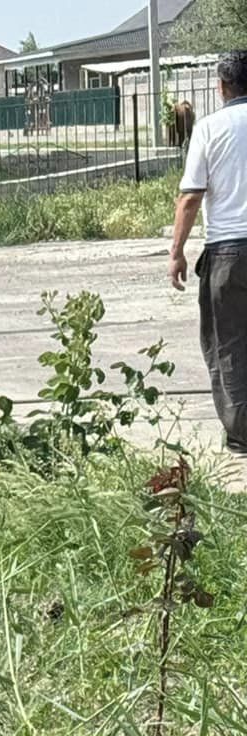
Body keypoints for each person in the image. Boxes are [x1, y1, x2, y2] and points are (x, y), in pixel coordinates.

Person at [172, 51, 247, 455]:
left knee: (228, 343)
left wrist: (176, 252)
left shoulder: (209, 127)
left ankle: (241, 435)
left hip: (228, 251)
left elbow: (190, 198)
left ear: (221, 86)